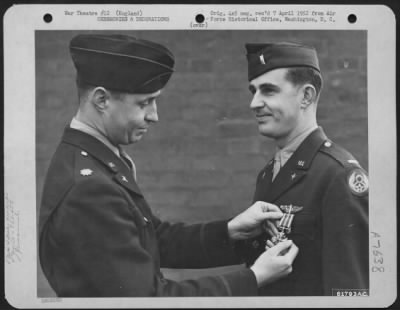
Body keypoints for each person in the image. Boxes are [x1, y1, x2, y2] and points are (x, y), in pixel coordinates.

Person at [38, 34, 298, 297]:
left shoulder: (92, 160)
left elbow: (149, 238)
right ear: (101, 100)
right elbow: (149, 299)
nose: (154, 115)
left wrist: (230, 231)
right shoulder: (89, 189)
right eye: (144, 103)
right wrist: (254, 278)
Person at [236, 42, 369, 296]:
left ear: (306, 96)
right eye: (253, 91)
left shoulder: (338, 175)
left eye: (268, 91)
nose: (254, 103)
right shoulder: (268, 173)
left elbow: (350, 290)